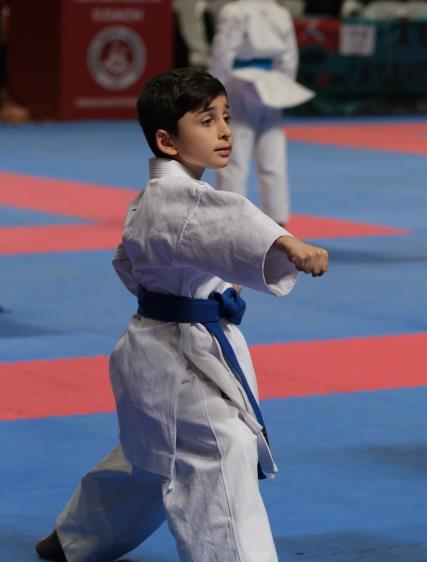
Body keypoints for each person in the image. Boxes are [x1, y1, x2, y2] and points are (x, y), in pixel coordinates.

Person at [34, 68, 329, 562]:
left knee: (150, 453)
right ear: (167, 141)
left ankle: (77, 536)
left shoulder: (158, 197)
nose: (225, 131)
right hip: (178, 358)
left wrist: (208, 286)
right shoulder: (177, 199)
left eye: (226, 117)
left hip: (160, 345)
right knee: (221, 448)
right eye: (207, 121)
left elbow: (143, 262)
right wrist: (287, 243)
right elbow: (231, 220)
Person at [209, 0, 314, 226]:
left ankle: (231, 218)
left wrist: (214, 88)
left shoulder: (235, 11)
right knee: (272, 152)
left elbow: (223, 53)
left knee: (234, 153)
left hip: (240, 82)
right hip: (272, 81)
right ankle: (277, 217)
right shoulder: (280, 13)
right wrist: (283, 86)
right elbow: (289, 57)